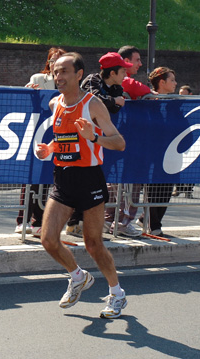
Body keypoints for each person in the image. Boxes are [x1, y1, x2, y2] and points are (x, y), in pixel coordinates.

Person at [35, 52, 129, 319]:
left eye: (64, 71)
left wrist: (95, 136)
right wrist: (49, 149)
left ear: (79, 75)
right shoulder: (55, 104)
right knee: (48, 239)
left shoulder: (93, 104)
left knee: (93, 244)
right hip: (63, 178)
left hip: (89, 179)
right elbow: (64, 139)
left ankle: (117, 295)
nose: (58, 77)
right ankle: (78, 277)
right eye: (55, 72)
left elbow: (119, 143)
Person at [80, 52, 141, 237]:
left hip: (100, 138)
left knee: (99, 179)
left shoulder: (116, 86)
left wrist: (113, 101)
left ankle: (99, 222)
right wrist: (113, 101)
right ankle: (78, 221)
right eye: (123, 71)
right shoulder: (93, 80)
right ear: (112, 72)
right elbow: (94, 99)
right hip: (80, 134)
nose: (125, 75)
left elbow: (113, 108)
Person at [15, 47, 66, 237]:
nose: (56, 64)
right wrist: (29, 93)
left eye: (61, 60)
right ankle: (22, 220)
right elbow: (27, 103)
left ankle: (39, 221)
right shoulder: (39, 78)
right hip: (37, 134)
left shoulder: (68, 83)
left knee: (47, 179)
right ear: (48, 63)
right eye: (53, 61)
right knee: (30, 180)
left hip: (56, 136)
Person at [137, 67, 178, 237]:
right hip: (153, 151)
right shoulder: (149, 100)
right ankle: (154, 224)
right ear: (162, 82)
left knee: (167, 188)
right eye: (172, 80)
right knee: (153, 188)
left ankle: (145, 218)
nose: (175, 83)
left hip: (171, 151)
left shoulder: (176, 102)